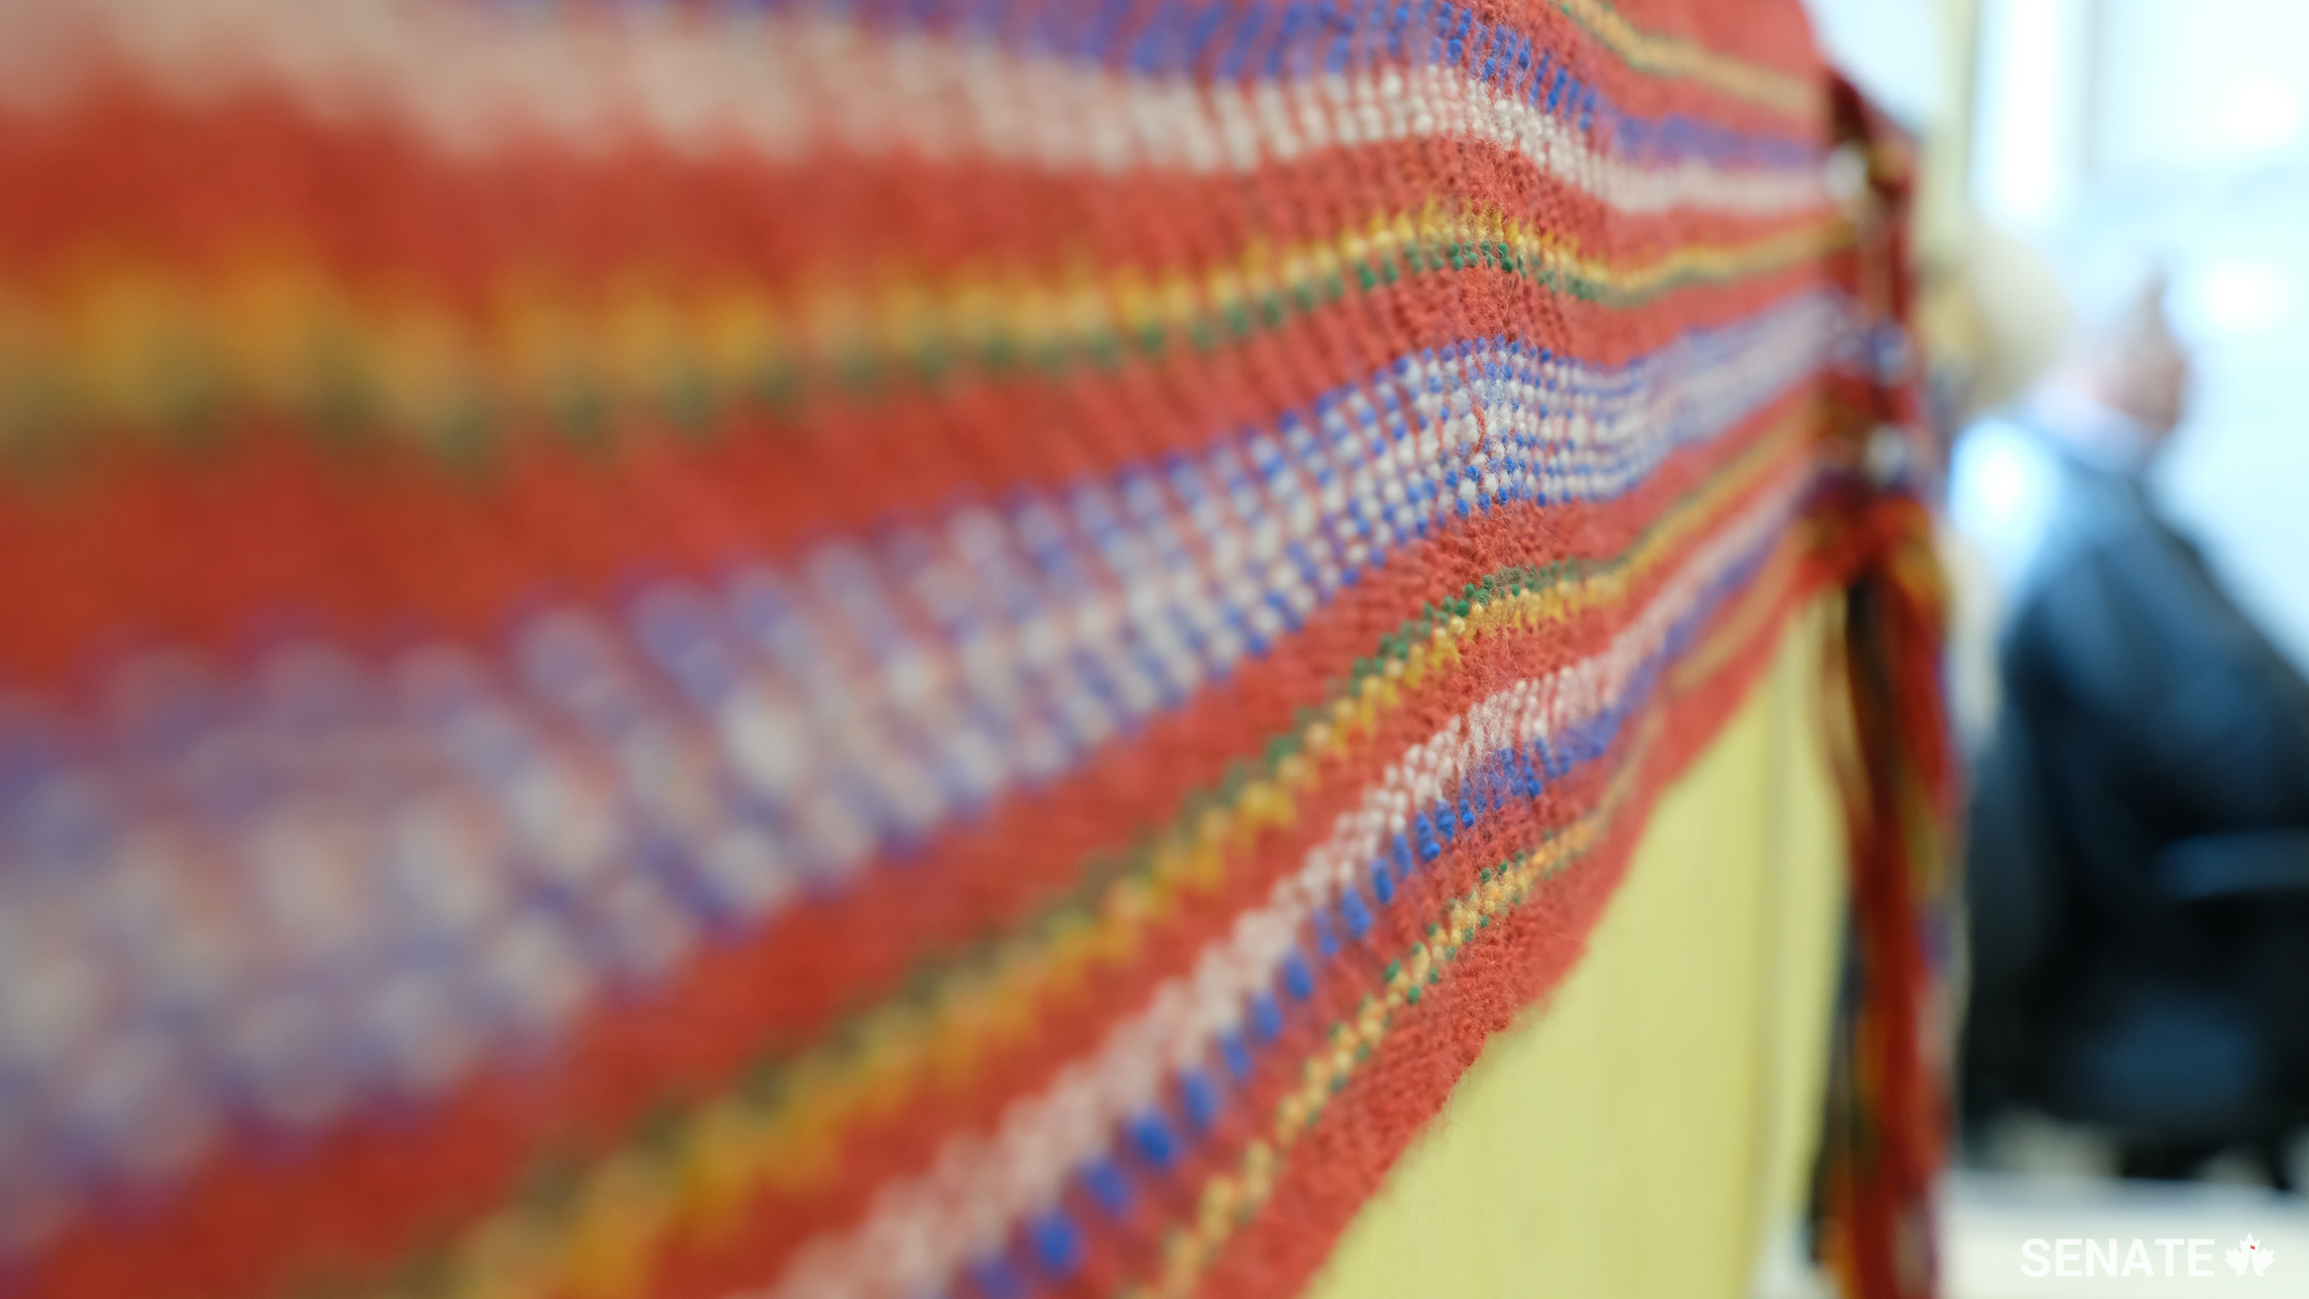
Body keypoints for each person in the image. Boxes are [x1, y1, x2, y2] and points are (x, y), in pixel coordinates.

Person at [1949, 274, 2309, 1183]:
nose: (2195, 367)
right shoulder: (2094, 530)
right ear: (2106, 352)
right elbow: (2241, 748)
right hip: (2160, 947)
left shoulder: (2089, 507)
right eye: (2173, 337)